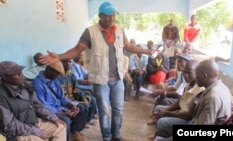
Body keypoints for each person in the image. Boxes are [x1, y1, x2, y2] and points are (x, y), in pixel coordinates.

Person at [39, 2, 155, 141]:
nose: (111, 19)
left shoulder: (119, 29)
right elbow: (76, 50)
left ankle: (116, 135)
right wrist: (58, 56)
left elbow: (129, 46)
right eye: (107, 16)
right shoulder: (90, 32)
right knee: (105, 111)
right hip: (101, 81)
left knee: (118, 110)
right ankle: (106, 137)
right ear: (100, 16)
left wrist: (147, 51)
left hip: (117, 79)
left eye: (113, 15)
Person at [0, 61, 66, 141]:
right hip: (18, 132)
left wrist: (54, 118)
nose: (21, 75)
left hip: (34, 123)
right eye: (16, 74)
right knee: (36, 139)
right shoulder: (2, 96)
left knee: (60, 127)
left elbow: (38, 105)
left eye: (21, 71)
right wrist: (36, 131)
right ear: (5, 77)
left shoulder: (25, 86)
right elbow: (10, 125)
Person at [33, 61, 89, 141]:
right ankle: (67, 138)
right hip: (50, 111)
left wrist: (71, 106)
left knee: (81, 108)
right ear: (49, 70)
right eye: (57, 73)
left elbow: (62, 98)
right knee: (65, 120)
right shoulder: (37, 83)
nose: (58, 76)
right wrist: (63, 113)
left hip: (60, 107)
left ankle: (74, 132)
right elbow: (43, 106)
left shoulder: (54, 80)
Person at [150, 59, 204, 139]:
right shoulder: (189, 83)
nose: (185, 75)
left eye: (189, 72)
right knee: (158, 109)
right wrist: (166, 111)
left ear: (197, 73)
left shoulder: (200, 89)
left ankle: (165, 135)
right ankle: (161, 134)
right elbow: (181, 99)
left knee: (162, 122)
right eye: (184, 72)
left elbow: (189, 115)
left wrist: (167, 113)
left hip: (188, 118)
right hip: (182, 111)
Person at [58, 59, 98, 127]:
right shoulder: (58, 76)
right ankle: (76, 128)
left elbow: (75, 89)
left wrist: (82, 97)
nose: (68, 64)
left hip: (73, 97)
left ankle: (85, 121)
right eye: (65, 62)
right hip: (65, 100)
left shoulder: (70, 74)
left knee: (91, 100)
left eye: (69, 62)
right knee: (83, 106)